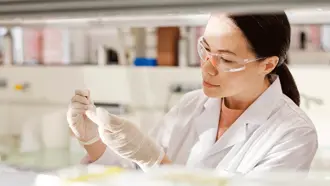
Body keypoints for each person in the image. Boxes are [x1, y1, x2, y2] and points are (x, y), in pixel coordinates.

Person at [67, 12, 318, 175]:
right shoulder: (191, 104)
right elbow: (135, 173)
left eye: (225, 59)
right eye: (205, 49)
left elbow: (151, 164)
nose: (207, 67)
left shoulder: (293, 133)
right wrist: (92, 142)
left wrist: (155, 161)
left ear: (267, 64)